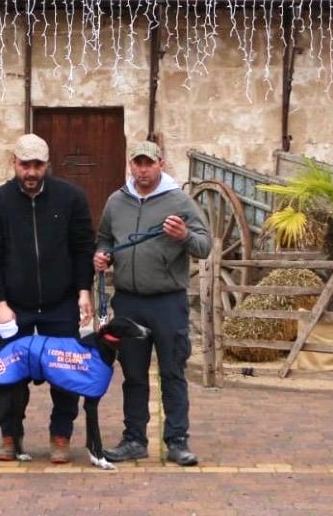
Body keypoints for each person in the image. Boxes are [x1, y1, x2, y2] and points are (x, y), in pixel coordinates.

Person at [0, 133, 96, 464]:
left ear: (47, 164)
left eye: (38, 165)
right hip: (14, 306)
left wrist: (84, 290)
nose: (31, 172)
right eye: (25, 165)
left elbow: (83, 247)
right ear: (13, 162)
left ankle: (61, 434)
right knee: (9, 376)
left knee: (66, 372)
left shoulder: (71, 198)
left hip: (60, 303)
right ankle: (10, 434)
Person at [93, 140, 210, 466]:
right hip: (128, 302)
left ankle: (177, 441)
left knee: (173, 371)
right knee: (133, 374)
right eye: (137, 163)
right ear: (130, 165)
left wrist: (184, 236)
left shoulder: (180, 201)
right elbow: (105, 238)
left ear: (161, 164)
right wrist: (101, 255)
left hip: (167, 302)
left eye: (149, 163)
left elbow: (204, 245)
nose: (143, 170)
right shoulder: (116, 201)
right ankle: (134, 440)